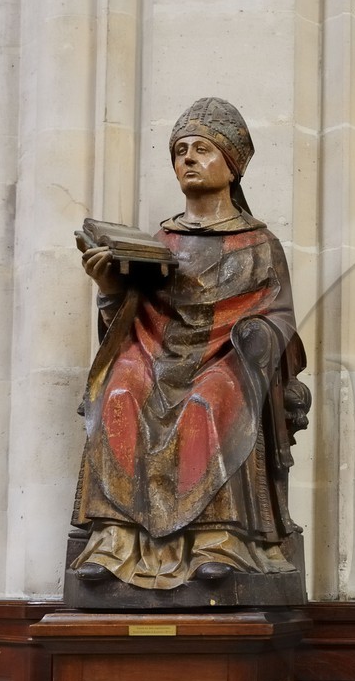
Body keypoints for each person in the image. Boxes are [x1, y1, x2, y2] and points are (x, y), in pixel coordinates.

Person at [71, 97, 310, 593]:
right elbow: (132, 319)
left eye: (203, 148)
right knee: (121, 389)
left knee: (212, 398)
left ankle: (217, 539)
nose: (189, 158)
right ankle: (115, 541)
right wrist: (112, 292)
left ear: (232, 163)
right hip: (156, 355)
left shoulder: (260, 243)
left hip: (227, 359)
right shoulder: (160, 240)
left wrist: (257, 336)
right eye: (180, 150)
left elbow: (280, 318)